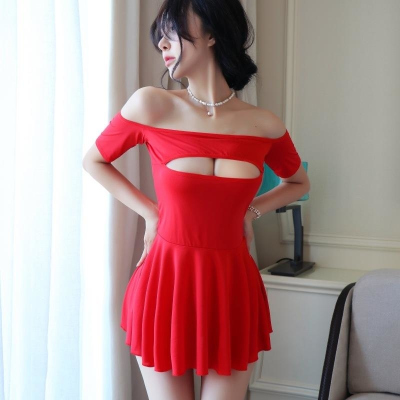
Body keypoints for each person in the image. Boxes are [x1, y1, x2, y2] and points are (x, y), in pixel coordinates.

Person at [82, 0, 311, 399]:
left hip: (231, 287)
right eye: (160, 36)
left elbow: (298, 182)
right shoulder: (152, 105)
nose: (162, 44)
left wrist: (251, 211)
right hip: (165, 283)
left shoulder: (264, 125)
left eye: (172, 31)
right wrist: (150, 214)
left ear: (212, 33)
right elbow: (94, 161)